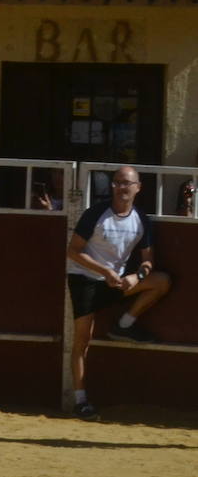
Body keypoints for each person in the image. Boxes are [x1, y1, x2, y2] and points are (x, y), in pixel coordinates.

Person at [65, 165, 172, 421]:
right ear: (112, 186)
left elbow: (148, 261)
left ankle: (124, 325)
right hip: (86, 279)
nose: (122, 187)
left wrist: (138, 276)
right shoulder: (96, 213)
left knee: (161, 281)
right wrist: (105, 271)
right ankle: (80, 400)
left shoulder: (140, 219)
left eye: (127, 183)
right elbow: (73, 250)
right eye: (117, 182)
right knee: (83, 339)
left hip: (115, 281)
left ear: (137, 188)